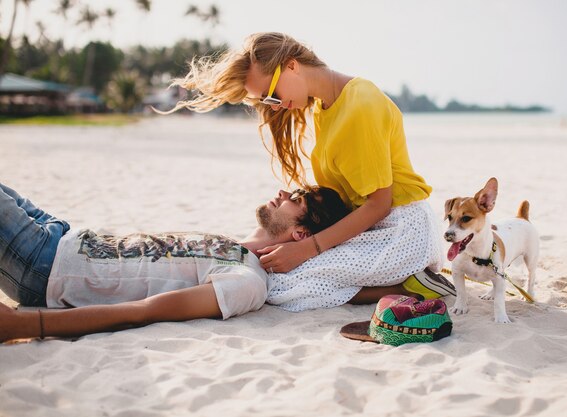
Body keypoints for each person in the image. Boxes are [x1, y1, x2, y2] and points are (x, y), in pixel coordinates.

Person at [164, 32, 446, 312]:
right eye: (267, 101)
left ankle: (412, 285)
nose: (274, 105)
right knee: (279, 265)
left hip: (403, 232)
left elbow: (379, 204)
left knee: (287, 282)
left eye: (272, 95)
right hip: (376, 227)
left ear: (291, 65)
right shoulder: (325, 107)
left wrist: (308, 248)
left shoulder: (360, 105)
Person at [0, 182, 350, 342]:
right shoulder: (232, 245)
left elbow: (145, 311)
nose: (285, 193)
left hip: (45, 266)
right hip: (61, 234)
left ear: (302, 234)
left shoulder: (247, 281)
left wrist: (26, 326)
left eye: (300, 198)